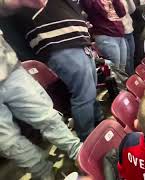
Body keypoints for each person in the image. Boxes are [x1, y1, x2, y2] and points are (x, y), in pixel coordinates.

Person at [0, 1, 82, 179]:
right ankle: (46, 175)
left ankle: (82, 157)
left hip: (8, 69)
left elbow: (5, 6)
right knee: (7, 143)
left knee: (46, 118)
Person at [14, 0, 101, 141]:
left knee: (89, 91)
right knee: (84, 94)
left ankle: (98, 124)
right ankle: (89, 139)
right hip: (60, 41)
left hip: (75, 40)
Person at [82, 0, 128, 72]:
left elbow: (122, 13)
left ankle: (122, 83)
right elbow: (92, 9)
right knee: (115, 70)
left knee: (122, 69)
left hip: (119, 34)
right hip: (105, 35)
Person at [121, 0, 136, 75]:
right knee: (127, 59)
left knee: (132, 56)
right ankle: (129, 80)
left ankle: (133, 77)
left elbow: (132, 10)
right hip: (120, 33)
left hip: (129, 30)